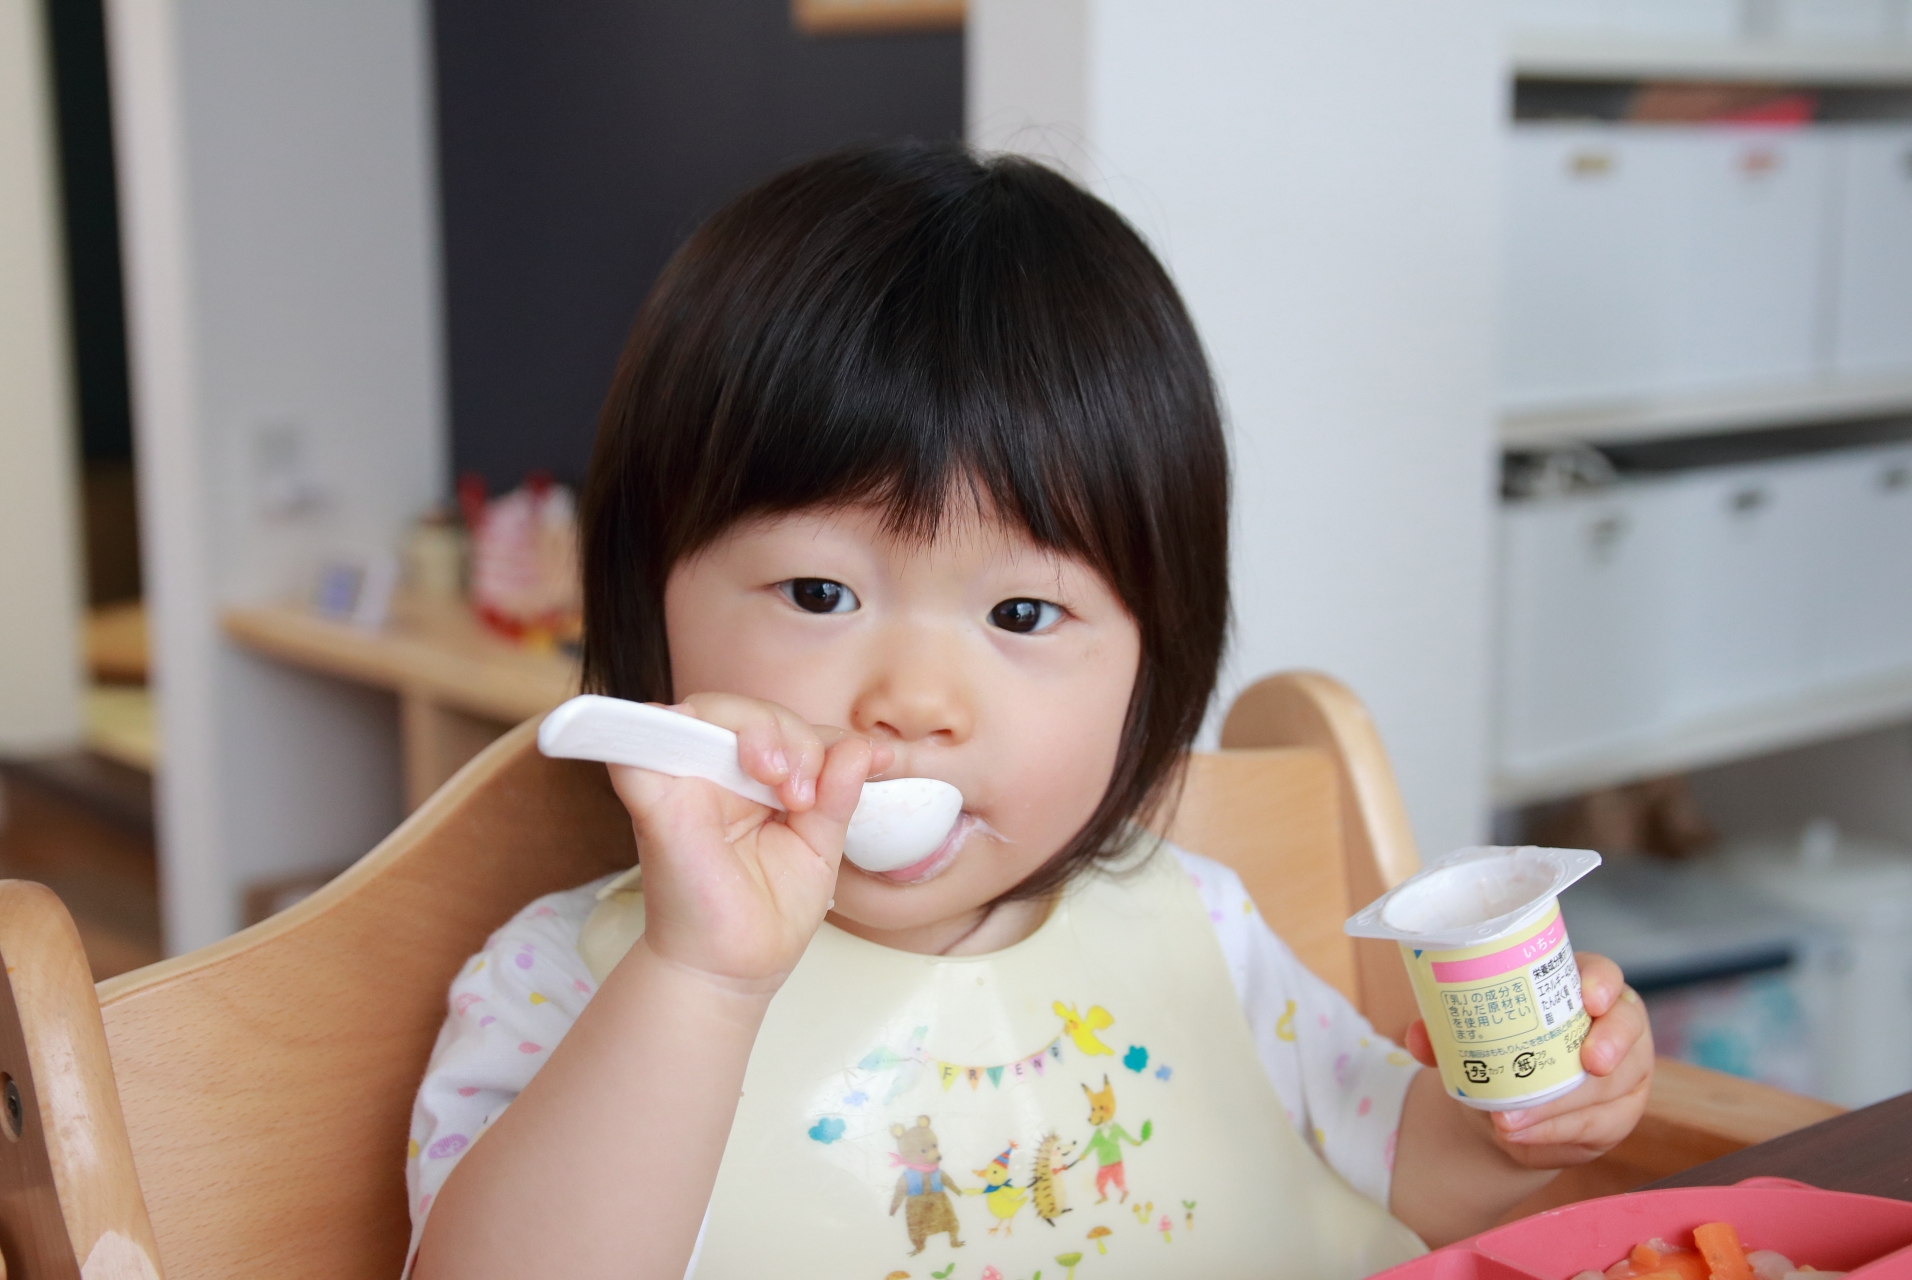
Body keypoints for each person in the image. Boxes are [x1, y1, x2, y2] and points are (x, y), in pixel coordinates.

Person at [406, 142, 1652, 1280]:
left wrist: (1529, 1119)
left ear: (1150, 662)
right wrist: (703, 978)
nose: (917, 702)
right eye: (821, 590)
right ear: (647, 603)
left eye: (1020, 616)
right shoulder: (563, 986)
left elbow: (1418, 1179)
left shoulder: (1202, 927)